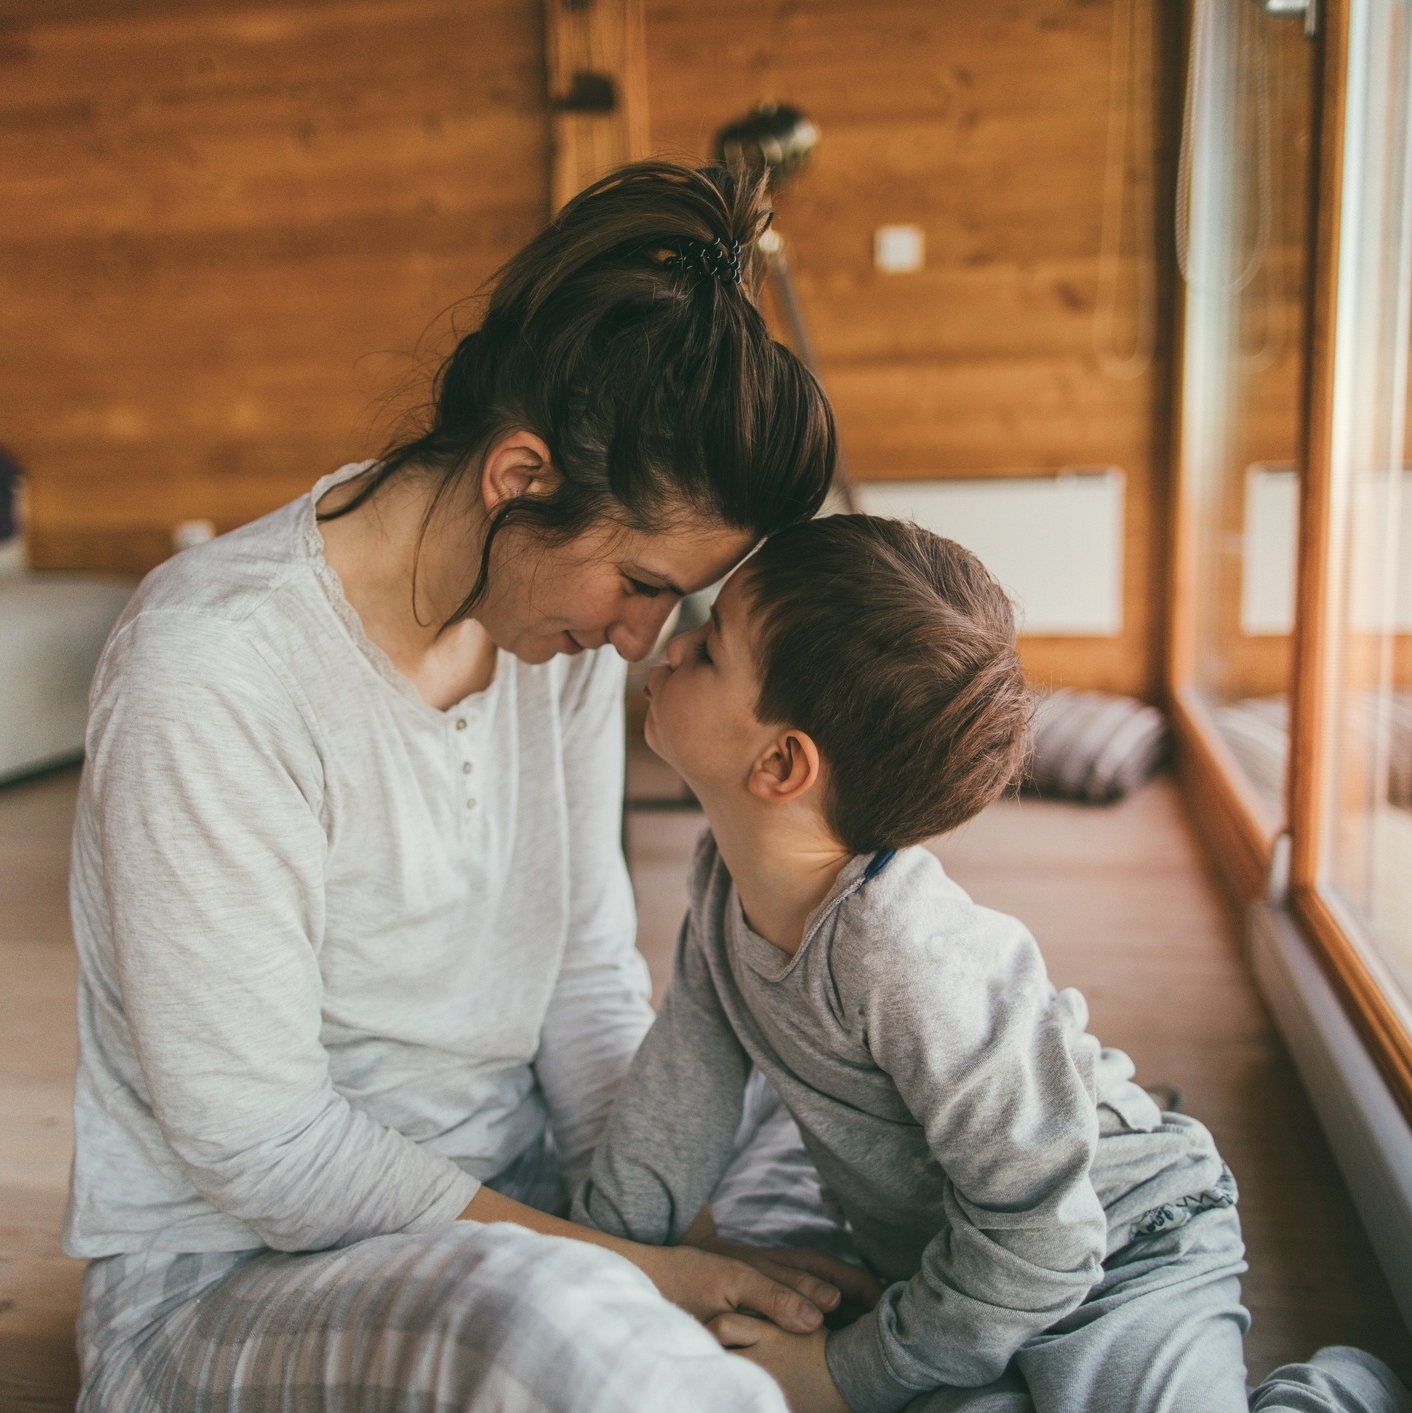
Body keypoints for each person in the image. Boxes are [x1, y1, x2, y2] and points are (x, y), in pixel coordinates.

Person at [64, 161, 872, 1412]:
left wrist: (687, 1240)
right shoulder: (210, 670)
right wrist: (640, 1272)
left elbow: (582, 979)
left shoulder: (544, 630)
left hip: (527, 1197)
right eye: (643, 583)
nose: (645, 641)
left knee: (843, 1129)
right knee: (544, 1329)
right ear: (518, 480)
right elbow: (261, 1148)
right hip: (237, 1279)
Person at [574, 514, 1412, 1413]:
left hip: (1114, 1247)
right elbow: (681, 1090)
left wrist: (846, 1373)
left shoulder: (908, 957)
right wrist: (603, 1262)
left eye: (710, 649)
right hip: (954, 1276)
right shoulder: (723, 884)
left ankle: (1343, 1393)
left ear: (781, 763)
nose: (675, 638)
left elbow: (1048, 1237)